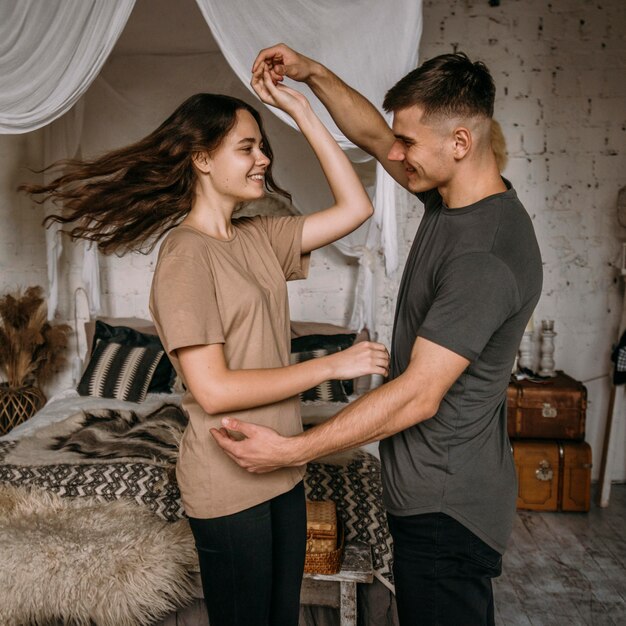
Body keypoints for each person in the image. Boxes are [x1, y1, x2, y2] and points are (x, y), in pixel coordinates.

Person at [20, 71, 390, 626]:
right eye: (247, 147)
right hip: (229, 480)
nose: (262, 158)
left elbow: (355, 208)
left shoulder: (259, 236)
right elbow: (213, 390)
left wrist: (302, 110)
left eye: (263, 146)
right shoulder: (185, 257)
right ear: (201, 159)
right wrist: (333, 364)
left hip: (285, 470)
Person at [212, 45, 543, 626]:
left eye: (409, 144)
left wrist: (291, 452)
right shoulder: (451, 197)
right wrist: (312, 72)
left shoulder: (484, 257)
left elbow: (419, 394)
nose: (396, 154)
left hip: (447, 509)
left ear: (460, 143)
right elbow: (372, 136)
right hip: (437, 495)